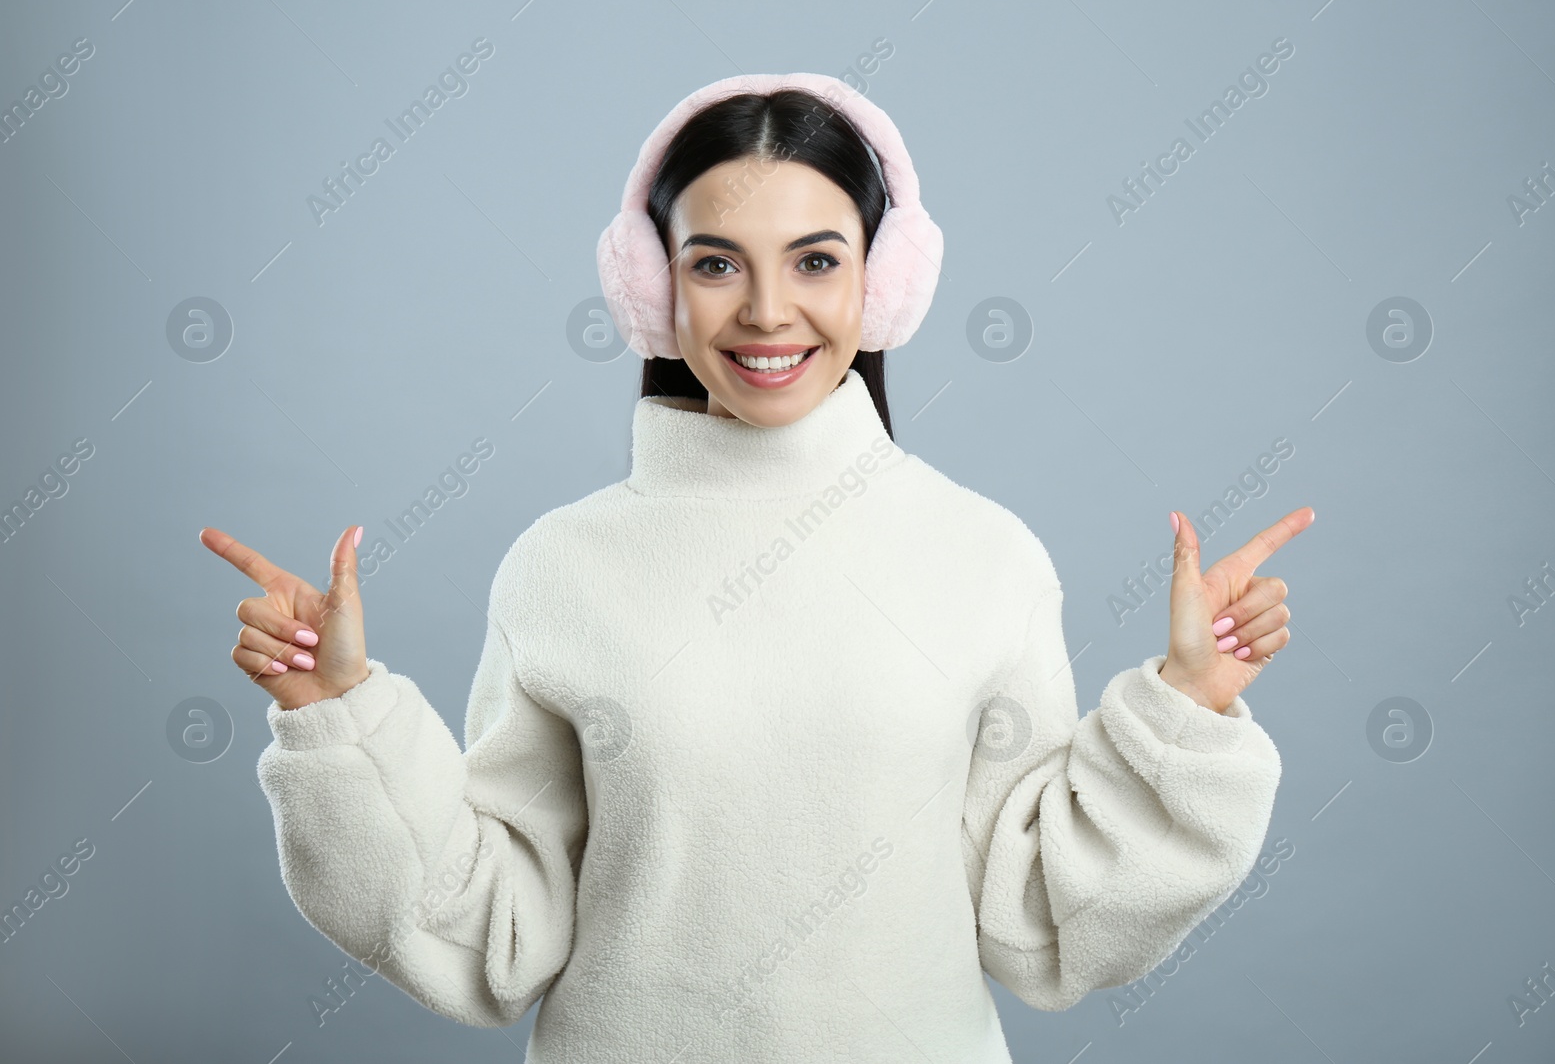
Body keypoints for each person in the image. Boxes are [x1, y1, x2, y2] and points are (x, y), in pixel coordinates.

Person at [200, 72, 1311, 1063]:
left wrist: (1187, 714)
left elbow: (1038, 919)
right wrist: (338, 716)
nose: (768, 310)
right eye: (716, 263)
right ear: (651, 289)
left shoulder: (984, 555)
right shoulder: (562, 565)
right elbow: (490, 933)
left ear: (881, 283)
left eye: (816, 261)